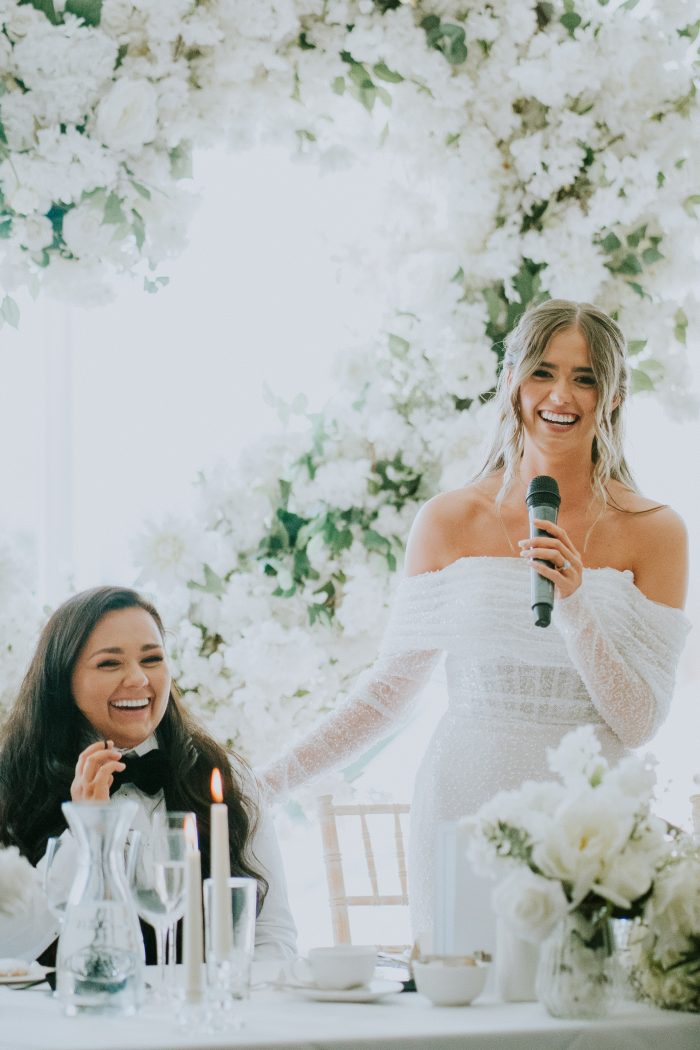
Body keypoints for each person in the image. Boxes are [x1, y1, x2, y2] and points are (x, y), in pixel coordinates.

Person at [261, 298, 690, 950]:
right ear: (512, 381)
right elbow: (386, 695)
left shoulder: (657, 531)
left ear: (614, 395)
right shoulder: (448, 519)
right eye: (543, 372)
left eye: (585, 378)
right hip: (461, 805)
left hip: (591, 824)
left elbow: (638, 722)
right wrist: (260, 786)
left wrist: (577, 612)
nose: (560, 395)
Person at [0, 586, 296, 962]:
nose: (138, 679)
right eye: (110, 663)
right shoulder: (12, 782)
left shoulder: (228, 776)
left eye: (152, 659)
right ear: (63, 679)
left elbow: (274, 936)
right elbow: (9, 945)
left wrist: (232, 999)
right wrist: (85, 832)